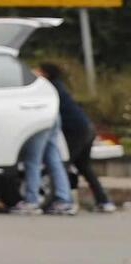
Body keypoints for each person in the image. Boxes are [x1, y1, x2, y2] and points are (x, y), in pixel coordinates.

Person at [38, 63, 112, 212]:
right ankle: (103, 201)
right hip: (86, 127)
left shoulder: (49, 88)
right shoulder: (59, 86)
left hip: (76, 130)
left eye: (39, 70)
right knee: (84, 166)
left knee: (61, 163)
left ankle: (63, 200)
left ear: (45, 74)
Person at [13, 116, 75, 216]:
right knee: (54, 161)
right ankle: (64, 200)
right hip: (53, 115)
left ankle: (32, 201)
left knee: (32, 161)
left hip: (38, 117)